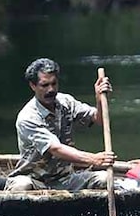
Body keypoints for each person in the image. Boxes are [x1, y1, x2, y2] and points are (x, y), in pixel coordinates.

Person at [7, 58, 116, 191]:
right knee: (22, 186)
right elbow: (55, 149)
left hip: (65, 179)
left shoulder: (66, 102)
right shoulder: (28, 117)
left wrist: (99, 98)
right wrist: (93, 159)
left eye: (54, 83)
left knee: (105, 179)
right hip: (34, 180)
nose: (51, 89)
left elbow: (99, 119)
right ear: (33, 86)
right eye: (44, 85)